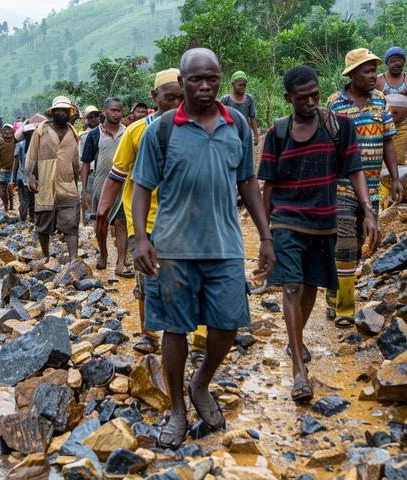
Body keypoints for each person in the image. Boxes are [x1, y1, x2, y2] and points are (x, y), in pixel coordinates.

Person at [132, 48, 275, 448]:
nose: (206, 86)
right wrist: (141, 238)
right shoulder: (161, 129)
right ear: (182, 81)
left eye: (212, 77)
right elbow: (142, 185)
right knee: (175, 329)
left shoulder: (238, 125)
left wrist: (265, 237)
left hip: (225, 244)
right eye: (196, 79)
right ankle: (177, 408)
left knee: (228, 323)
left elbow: (247, 182)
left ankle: (201, 383)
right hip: (173, 247)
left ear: (220, 77)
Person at [259, 65, 379, 403]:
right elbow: (268, 186)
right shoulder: (277, 132)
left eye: (315, 94)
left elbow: (354, 170)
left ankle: (295, 339)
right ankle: (300, 370)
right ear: (288, 99)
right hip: (286, 219)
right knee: (293, 286)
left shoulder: (338, 127)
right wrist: (266, 235)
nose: (311, 101)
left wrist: (368, 209)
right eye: (302, 98)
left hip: (323, 219)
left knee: (310, 286)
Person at [97, 68, 209, 359]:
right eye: (168, 98)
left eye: (180, 98)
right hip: (145, 221)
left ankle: (198, 340)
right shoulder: (136, 131)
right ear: (154, 97)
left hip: (188, 219)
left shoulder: (199, 127)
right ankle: (148, 334)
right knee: (148, 280)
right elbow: (118, 175)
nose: (175, 104)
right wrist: (102, 210)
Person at [326, 48, 404, 327]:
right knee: (344, 242)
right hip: (343, 186)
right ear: (352, 75)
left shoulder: (380, 101)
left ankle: (334, 290)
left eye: (374, 70)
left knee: (358, 245)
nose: (373, 76)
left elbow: (388, 142)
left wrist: (394, 177)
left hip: (371, 187)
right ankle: (346, 308)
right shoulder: (335, 104)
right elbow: (329, 147)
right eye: (367, 71)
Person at [26, 97, 81, 264]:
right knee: (43, 223)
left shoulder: (73, 133)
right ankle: (46, 256)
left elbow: (75, 161)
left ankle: (73, 260)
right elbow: (32, 156)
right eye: (58, 110)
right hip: (45, 181)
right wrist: (30, 177)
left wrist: (76, 182)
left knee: (71, 223)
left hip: (67, 184)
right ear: (53, 112)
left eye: (64, 110)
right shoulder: (42, 130)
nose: (61, 113)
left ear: (69, 113)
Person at [81, 98, 127, 274]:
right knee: (101, 223)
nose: (116, 114)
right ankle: (104, 256)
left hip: (123, 186)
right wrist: (84, 191)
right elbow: (86, 163)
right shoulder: (94, 135)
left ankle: (121, 263)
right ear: (104, 112)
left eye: (119, 111)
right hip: (101, 185)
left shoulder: (127, 133)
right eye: (113, 110)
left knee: (121, 222)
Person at [376, 47, 407, 164]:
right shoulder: (379, 79)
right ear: (387, 63)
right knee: (382, 162)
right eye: (393, 61)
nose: (396, 64)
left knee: (398, 160)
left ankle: (396, 181)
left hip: (400, 127)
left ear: (403, 61)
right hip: (381, 128)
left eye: (399, 60)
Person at [220, 71, 259, 146]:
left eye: (244, 85)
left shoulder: (249, 99)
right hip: (230, 134)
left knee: (246, 155)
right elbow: (220, 118)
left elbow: (252, 117)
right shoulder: (225, 100)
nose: (242, 87)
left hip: (245, 133)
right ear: (233, 84)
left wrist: (256, 135)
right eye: (240, 85)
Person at [0, 124, 17, 212]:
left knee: (10, 189)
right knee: (3, 190)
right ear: (2, 132)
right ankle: (6, 207)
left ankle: (11, 205)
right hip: (3, 170)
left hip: (13, 171)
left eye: (9, 131)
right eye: (5, 131)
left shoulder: (15, 142)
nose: (7, 134)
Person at [14, 123, 35, 222]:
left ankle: (31, 220)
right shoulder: (21, 146)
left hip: (33, 178)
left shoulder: (37, 146)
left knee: (33, 201)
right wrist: (12, 179)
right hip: (22, 178)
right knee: (24, 201)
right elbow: (16, 162)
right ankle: (22, 220)